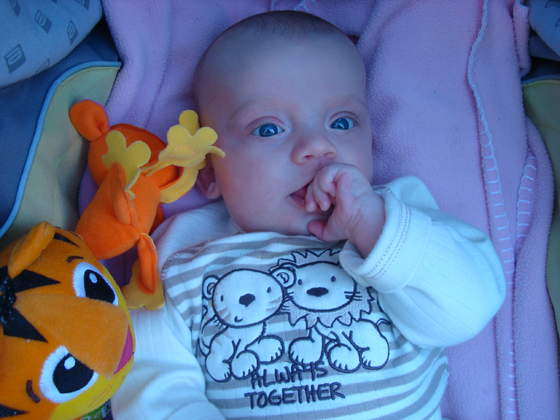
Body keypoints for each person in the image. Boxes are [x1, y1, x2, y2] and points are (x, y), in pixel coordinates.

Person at [111, 10, 505, 420]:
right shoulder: (180, 252)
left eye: (342, 122)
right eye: (268, 129)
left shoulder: (398, 223)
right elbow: (152, 387)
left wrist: (375, 229)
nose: (318, 146)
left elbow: (468, 311)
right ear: (210, 171)